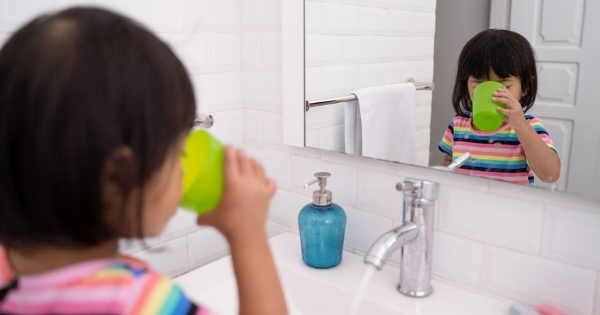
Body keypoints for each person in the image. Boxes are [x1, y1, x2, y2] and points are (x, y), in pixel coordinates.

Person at [0, 7, 287, 315]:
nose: (182, 168)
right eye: (178, 153)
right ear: (115, 179)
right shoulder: (135, 301)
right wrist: (248, 234)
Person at [438, 29, 560, 185]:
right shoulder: (458, 125)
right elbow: (449, 162)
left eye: (505, 87)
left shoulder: (529, 126)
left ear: (525, 87)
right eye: (478, 86)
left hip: (510, 208)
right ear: (466, 85)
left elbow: (550, 175)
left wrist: (520, 125)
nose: (493, 96)